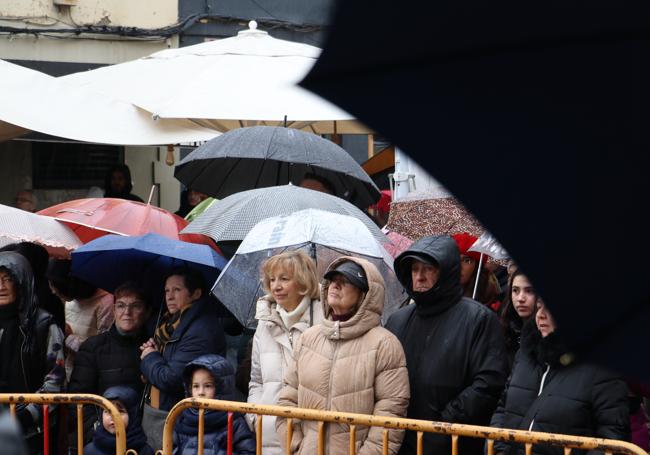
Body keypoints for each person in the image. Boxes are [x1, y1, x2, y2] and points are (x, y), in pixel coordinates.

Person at [385, 235, 508, 454]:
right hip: (400, 439)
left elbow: (489, 382)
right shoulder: (398, 319)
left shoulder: (478, 319)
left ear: (446, 271)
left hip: (451, 442)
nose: (420, 277)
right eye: (414, 270)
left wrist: (446, 420)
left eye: (428, 269)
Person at [276, 257, 410, 455]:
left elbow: (391, 413)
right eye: (332, 279)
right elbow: (287, 399)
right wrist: (297, 446)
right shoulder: (308, 338)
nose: (335, 285)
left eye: (346, 281)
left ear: (364, 294)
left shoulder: (385, 344)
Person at [490, 300, 629, 454]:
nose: (541, 315)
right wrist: (498, 450)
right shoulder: (525, 355)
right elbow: (503, 409)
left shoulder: (603, 368)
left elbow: (612, 437)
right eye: (539, 306)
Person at [246, 250, 322, 455]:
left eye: (284, 279)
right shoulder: (264, 323)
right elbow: (256, 380)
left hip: (312, 435)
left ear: (303, 282)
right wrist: (256, 416)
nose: (276, 286)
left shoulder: (324, 321)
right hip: (269, 434)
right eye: (272, 280)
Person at [140, 268, 227, 448]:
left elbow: (172, 378)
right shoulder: (168, 324)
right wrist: (151, 359)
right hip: (160, 413)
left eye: (177, 290)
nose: (169, 296)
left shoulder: (200, 330)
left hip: (179, 417)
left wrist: (149, 358)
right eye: (167, 290)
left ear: (195, 293)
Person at [68, 282, 152, 451]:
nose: (127, 312)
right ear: (113, 310)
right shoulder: (93, 347)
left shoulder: (154, 349)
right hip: (102, 440)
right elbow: (79, 400)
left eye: (135, 306)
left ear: (147, 312)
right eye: (121, 305)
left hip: (142, 441)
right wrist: (99, 432)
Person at [0, 252, 65, 454]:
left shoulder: (44, 325)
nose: (1, 286)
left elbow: (55, 382)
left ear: (22, 281)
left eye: (8, 279)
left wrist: (23, 416)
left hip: (32, 432)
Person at [173, 354, 256, 455]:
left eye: (208, 386)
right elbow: (171, 449)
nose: (201, 392)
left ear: (222, 388)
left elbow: (248, 451)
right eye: (195, 386)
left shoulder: (233, 422)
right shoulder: (183, 418)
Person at [47, 259, 114, 380]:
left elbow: (102, 351)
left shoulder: (106, 303)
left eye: (56, 286)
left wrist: (69, 338)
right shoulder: (71, 300)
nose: (53, 291)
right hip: (68, 371)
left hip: (89, 376)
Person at [84, 385, 154, 455]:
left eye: (120, 411)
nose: (113, 416)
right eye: (107, 411)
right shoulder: (91, 450)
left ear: (133, 415)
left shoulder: (144, 450)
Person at [499, 269, 538, 368]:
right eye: (515, 290)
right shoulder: (504, 328)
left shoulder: (545, 334)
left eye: (529, 291)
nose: (520, 298)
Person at [451, 232, 500, 309]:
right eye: (454, 258)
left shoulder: (487, 294)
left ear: (477, 267)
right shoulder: (434, 286)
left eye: (467, 261)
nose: (459, 266)